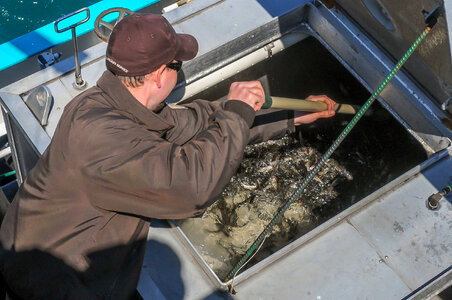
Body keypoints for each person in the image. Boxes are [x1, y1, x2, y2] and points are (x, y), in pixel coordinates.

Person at [0, 13, 336, 299]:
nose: (178, 73)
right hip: (52, 284)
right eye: (177, 65)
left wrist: (290, 117)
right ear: (161, 74)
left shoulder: (111, 103)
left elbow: (197, 123)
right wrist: (235, 113)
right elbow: (193, 190)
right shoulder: (103, 141)